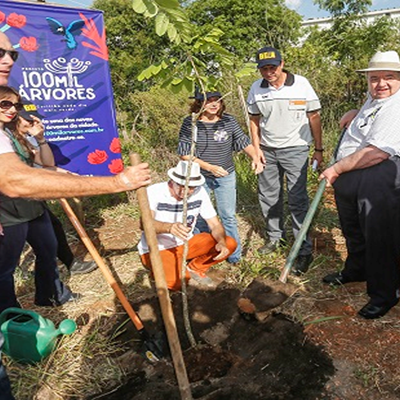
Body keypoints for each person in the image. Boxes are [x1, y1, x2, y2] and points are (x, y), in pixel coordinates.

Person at [320, 50, 400, 319]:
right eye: (374, 78)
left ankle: (384, 293)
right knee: (352, 227)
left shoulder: (398, 105)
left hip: (379, 174)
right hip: (353, 174)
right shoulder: (376, 97)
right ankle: (357, 270)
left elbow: (376, 153)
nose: (381, 84)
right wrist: (354, 111)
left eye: (389, 77)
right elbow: (373, 109)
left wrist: (335, 168)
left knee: (378, 234)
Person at [0, 86, 78, 313]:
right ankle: (9, 313)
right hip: (7, 212)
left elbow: (42, 164)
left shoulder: (12, 133)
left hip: (33, 205)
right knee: (6, 267)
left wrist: (41, 140)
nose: (12, 110)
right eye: (5, 104)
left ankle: (52, 295)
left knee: (48, 248)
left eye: (16, 105)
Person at [247, 46, 323, 275]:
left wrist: (318, 149)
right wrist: (257, 149)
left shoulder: (301, 84)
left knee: (298, 199)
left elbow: (314, 117)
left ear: (281, 64)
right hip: (268, 151)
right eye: (264, 68)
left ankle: (303, 249)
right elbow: (253, 120)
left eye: (273, 67)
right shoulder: (256, 88)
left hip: (296, 150)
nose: (269, 72)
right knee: (269, 196)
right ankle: (275, 238)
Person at [178, 90, 262, 264]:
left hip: (226, 176)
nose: (214, 104)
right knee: (200, 217)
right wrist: (209, 167)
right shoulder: (191, 123)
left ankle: (233, 256)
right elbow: (185, 154)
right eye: (209, 101)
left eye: (217, 100)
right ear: (199, 103)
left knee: (227, 216)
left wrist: (255, 157)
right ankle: (204, 254)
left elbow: (243, 141)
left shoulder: (228, 121)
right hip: (199, 178)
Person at [16, 101, 97, 275]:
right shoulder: (8, 139)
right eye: (28, 121)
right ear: (16, 118)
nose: (33, 124)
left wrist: (41, 140)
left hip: (28, 197)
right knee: (15, 239)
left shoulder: (27, 138)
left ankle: (69, 265)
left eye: (34, 120)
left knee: (53, 227)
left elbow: (47, 164)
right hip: (12, 198)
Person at [138, 160, 237, 290]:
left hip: (186, 243)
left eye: (190, 187)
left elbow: (214, 224)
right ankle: (162, 271)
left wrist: (221, 242)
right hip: (159, 248)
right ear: (172, 180)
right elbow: (144, 223)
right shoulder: (154, 192)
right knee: (178, 283)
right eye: (181, 186)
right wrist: (168, 227)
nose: (185, 191)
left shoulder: (199, 192)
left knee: (230, 244)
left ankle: (195, 268)